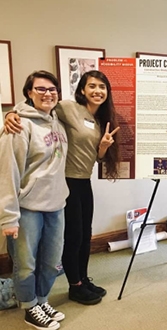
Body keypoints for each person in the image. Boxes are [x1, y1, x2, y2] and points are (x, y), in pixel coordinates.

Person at [5, 70, 121, 306]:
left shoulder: (101, 118)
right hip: (66, 180)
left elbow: (94, 157)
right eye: (92, 86)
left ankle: (83, 279)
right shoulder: (68, 108)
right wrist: (12, 113)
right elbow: (39, 106)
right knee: (74, 237)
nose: (97, 91)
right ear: (82, 90)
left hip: (84, 180)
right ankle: (75, 286)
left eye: (102, 87)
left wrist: (103, 148)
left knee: (85, 235)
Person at [0, 70, 68, 329]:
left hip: (56, 205)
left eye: (52, 89)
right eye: (40, 89)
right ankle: (29, 307)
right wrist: (9, 216)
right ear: (29, 93)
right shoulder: (18, 126)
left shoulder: (57, 122)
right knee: (26, 264)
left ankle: (41, 299)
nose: (47, 93)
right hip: (28, 208)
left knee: (51, 261)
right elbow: (8, 171)